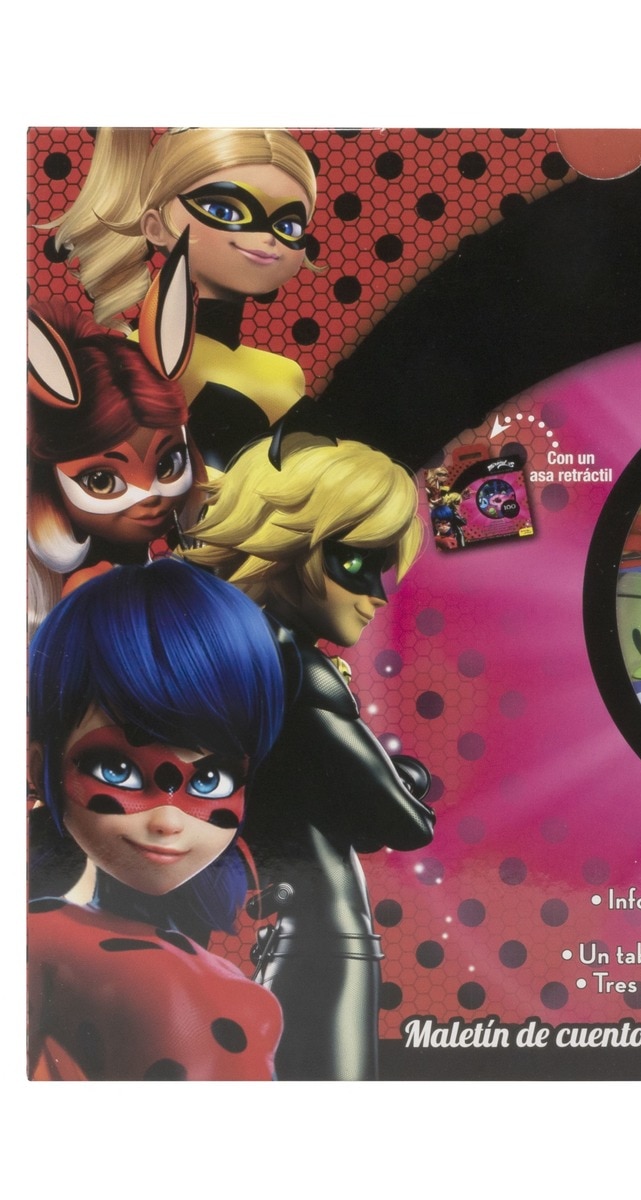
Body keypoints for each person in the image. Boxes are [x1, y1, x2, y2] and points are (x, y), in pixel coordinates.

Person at [184, 432, 436, 1079]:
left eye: (383, 567)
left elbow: (347, 812)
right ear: (286, 544)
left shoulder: (239, 664)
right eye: (354, 562)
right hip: (327, 942)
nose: (378, 593)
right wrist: (406, 779)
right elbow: (406, 823)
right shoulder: (297, 672)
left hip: (293, 934)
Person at [27, 559, 286, 1080]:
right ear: (40, 767)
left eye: (209, 779)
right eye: (119, 770)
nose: (168, 820)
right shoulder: (45, 943)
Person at [49, 127, 320, 468]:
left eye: (288, 226)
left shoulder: (286, 372)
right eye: (225, 211)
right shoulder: (135, 362)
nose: (267, 238)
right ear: (154, 227)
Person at [27, 236, 203, 634]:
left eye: (168, 464)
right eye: (102, 481)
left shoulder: (155, 571)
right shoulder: (91, 589)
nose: (150, 495)